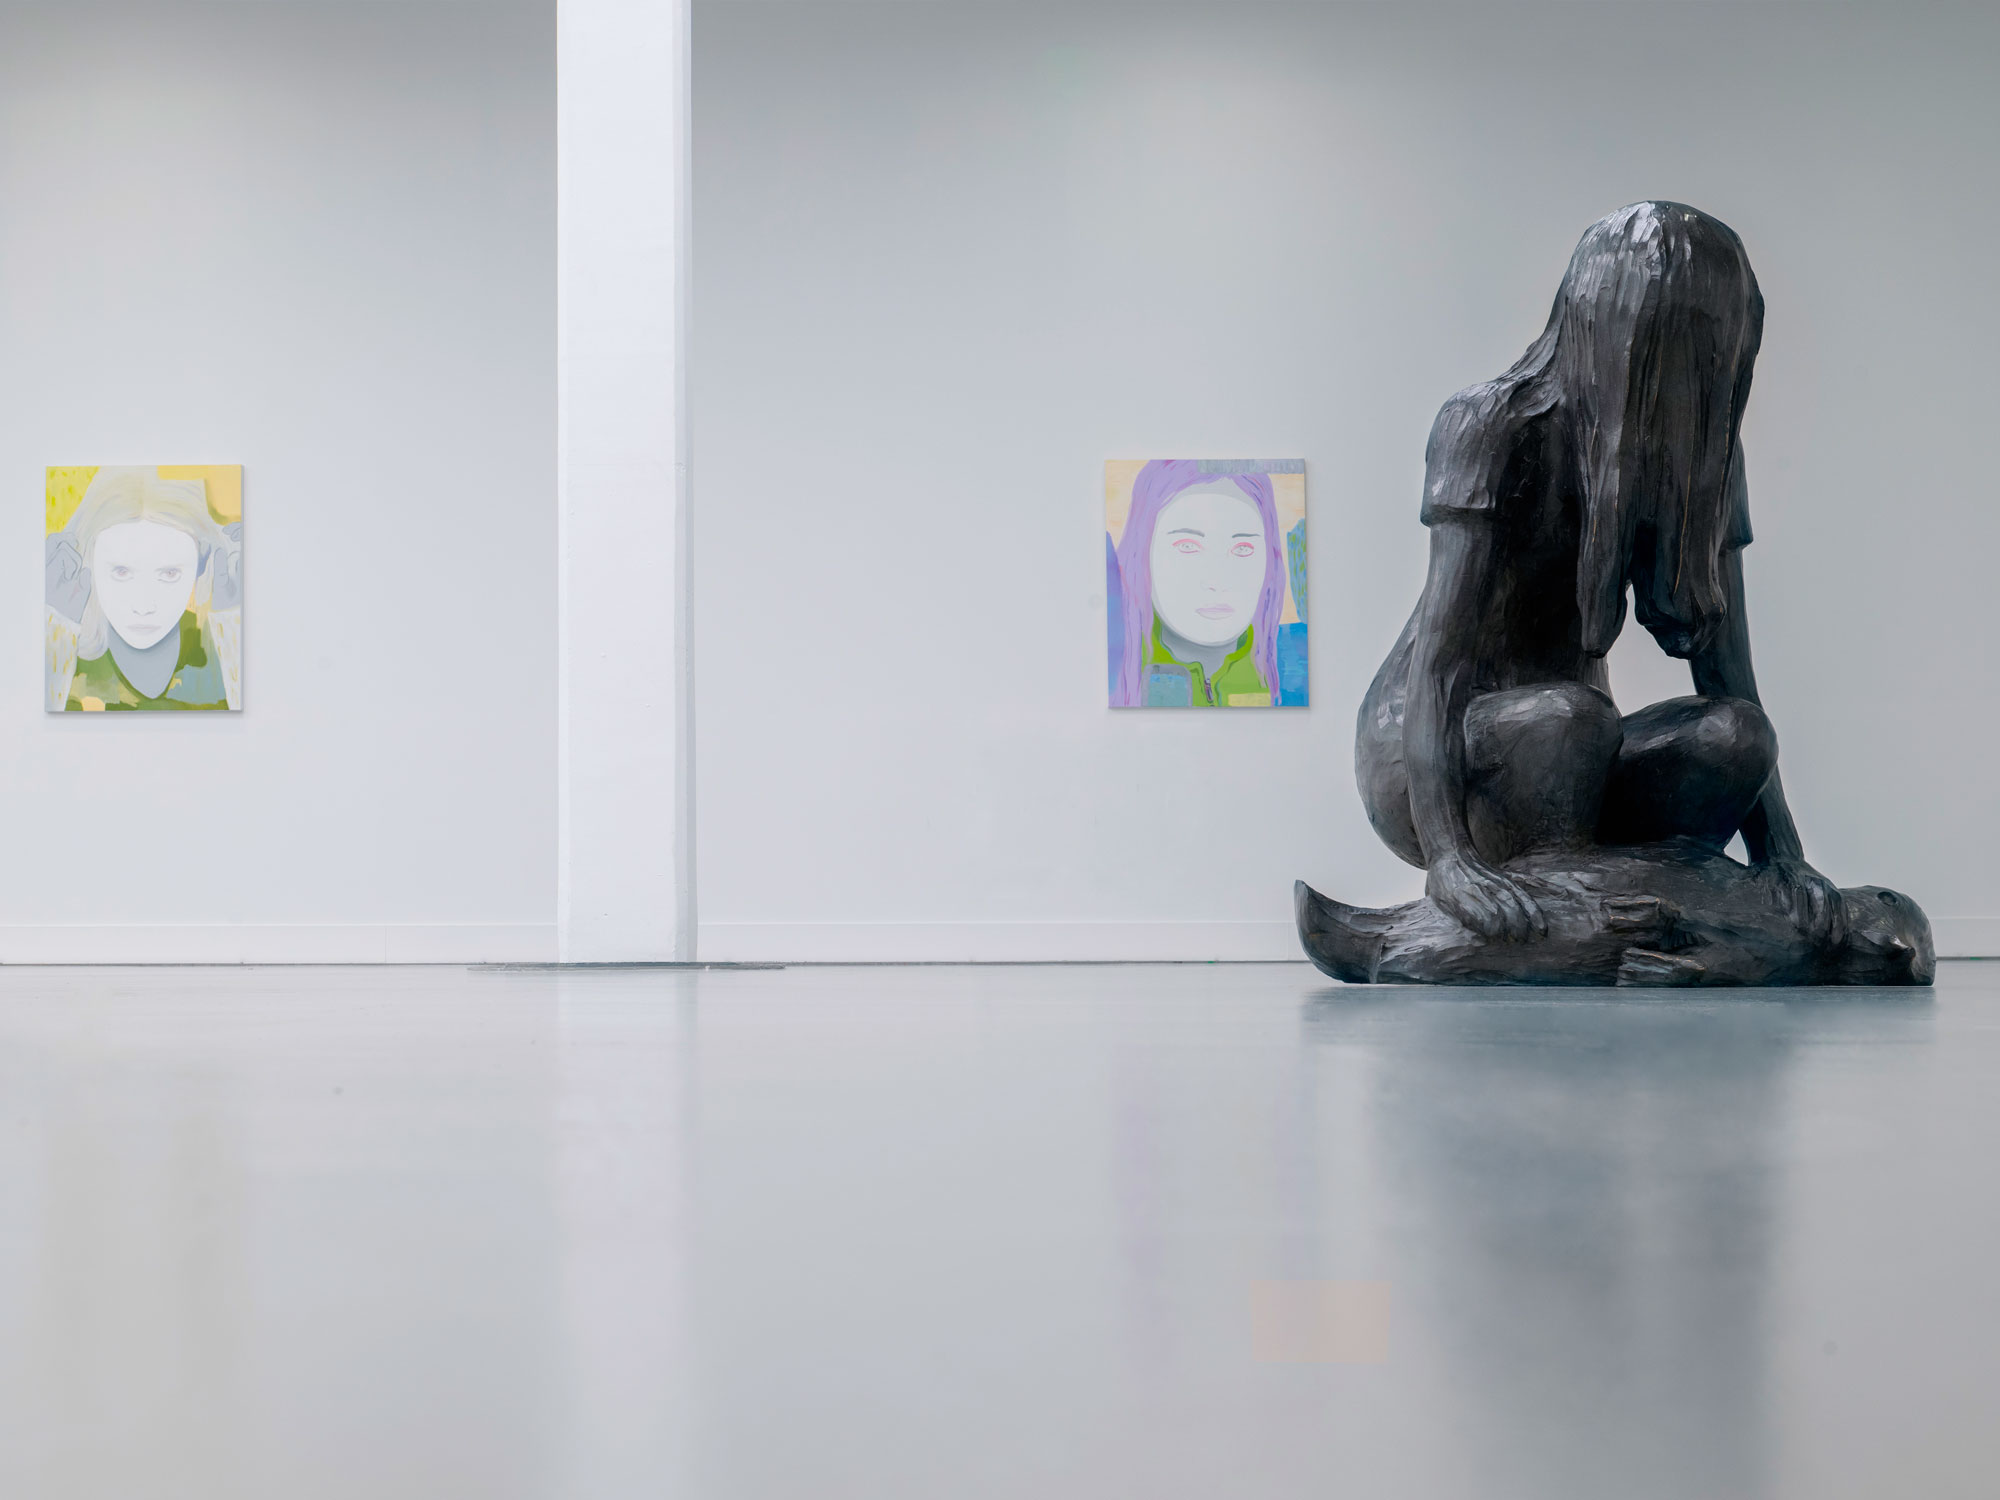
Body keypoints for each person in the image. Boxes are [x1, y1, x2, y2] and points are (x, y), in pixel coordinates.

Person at [1356, 202, 1843, 946]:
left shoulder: (1704, 462)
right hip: (1434, 757)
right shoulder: (1491, 428)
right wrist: (1449, 861)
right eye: (1682, 343)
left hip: (1575, 760)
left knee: (1737, 736)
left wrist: (1782, 856)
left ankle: (1620, 883)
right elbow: (1440, 668)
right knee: (1568, 720)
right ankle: (1583, 890)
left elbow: (1729, 678)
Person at [46, 467, 243, 711]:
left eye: (170, 574)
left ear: (202, 561)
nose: (143, 606)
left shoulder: (222, 644)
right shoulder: (63, 648)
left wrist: (234, 622)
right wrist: (55, 630)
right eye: (121, 572)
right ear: (88, 561)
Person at [1110, 460, 1287, 708]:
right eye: (1187, 547)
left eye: (1242, 549)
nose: (1217, 581)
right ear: (1142, 553)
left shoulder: (1291, 668)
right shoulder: (1110, 669)